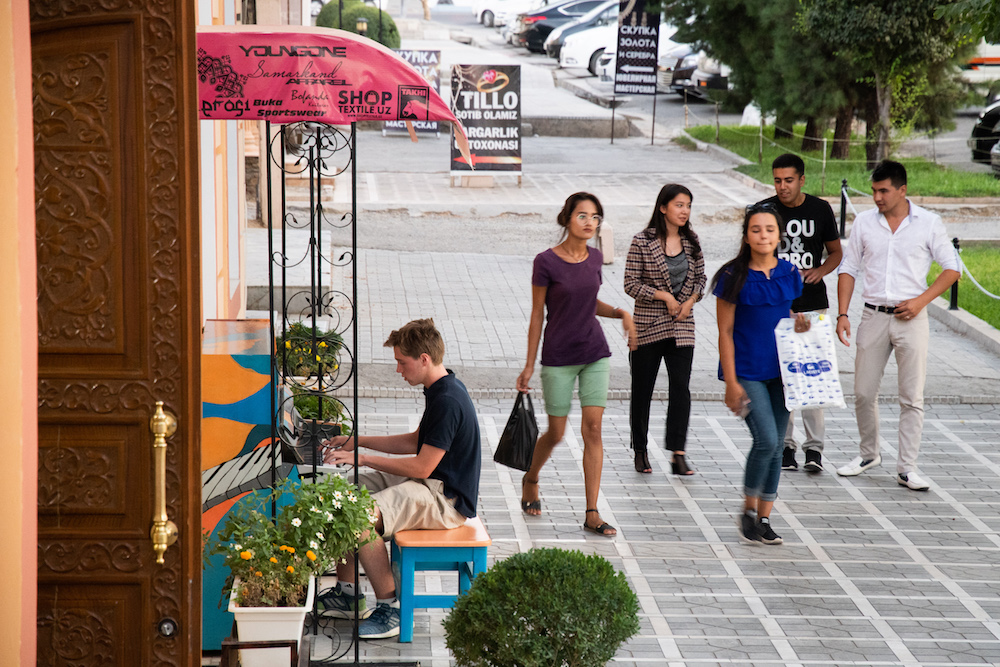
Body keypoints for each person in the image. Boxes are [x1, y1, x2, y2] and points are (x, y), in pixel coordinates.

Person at [318, 319, 481, 639]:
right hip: (429, 484)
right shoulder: (441, 387)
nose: (398, 370)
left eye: (401, 362)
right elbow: (416, 441)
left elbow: (421, 466)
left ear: (424, 359)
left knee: (359, 516)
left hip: (444, 500)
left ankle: (389, 608)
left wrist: (361, 458)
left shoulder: (448, 399)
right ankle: (349, 594)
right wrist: (358, 441)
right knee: (342, 494)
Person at [834, 160, 960, 490]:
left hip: (912, 317)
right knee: (863, 392)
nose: (876, 197)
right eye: (874, 190)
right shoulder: (863, 222)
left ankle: (907, 468)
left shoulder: (928, 223)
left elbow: (952, 268)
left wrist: (921, 301)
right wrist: (842, 314)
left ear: (902, 190)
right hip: (872, 315)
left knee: (911, 396)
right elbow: (848, 268)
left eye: (883, 191)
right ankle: (868, 453)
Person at [516, 191, 635, 537]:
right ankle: (531, 477)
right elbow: (538, 314)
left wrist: (619, 313)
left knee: (593, 429)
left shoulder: (596, 258)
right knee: (556, 433)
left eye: (595, 217)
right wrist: (528, 366)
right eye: (582, 215)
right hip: (558, 357)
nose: (589, 222)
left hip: (595, 352)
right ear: (566, 218)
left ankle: (592, 512)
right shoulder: (546, 262)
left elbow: (588, 300)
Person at [712, 203, 809, 545]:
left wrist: (800, 322)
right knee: (766, 440)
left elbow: (788, 312)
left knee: (777, 444)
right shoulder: (731, 277)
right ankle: (748, 510)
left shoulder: (789, 274)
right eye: (756, 229)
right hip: (748, 372)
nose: (763, 235)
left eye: (769, 229)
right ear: (746, 235)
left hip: (783, 374)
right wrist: (732, 382)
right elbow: (724, 332)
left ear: (779, 234)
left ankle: (764, 518)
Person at [757, 153, 842, 473]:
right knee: (781, 378)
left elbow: (836, 253)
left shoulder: (820, 210)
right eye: (777, 180)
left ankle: (814, 450)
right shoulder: (764, 211)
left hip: (813, 305)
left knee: (812, 376)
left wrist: (820, 270)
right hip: (777, 307)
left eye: (788, 180)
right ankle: (785, 447)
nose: (782, 187)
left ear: (802, 179)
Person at [624, 184, 706, 475]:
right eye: (679, 205)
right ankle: (640, 450)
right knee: (642, 390)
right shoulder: (642, 241)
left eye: (688, 206)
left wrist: (691, 300)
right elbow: (630, 283)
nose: (684, 211)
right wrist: (664, 296)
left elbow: (701, 279)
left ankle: (678, 452)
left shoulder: (692, 241)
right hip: (647, 327)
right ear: (663, 208)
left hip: (682, 327)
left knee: (681, 390)